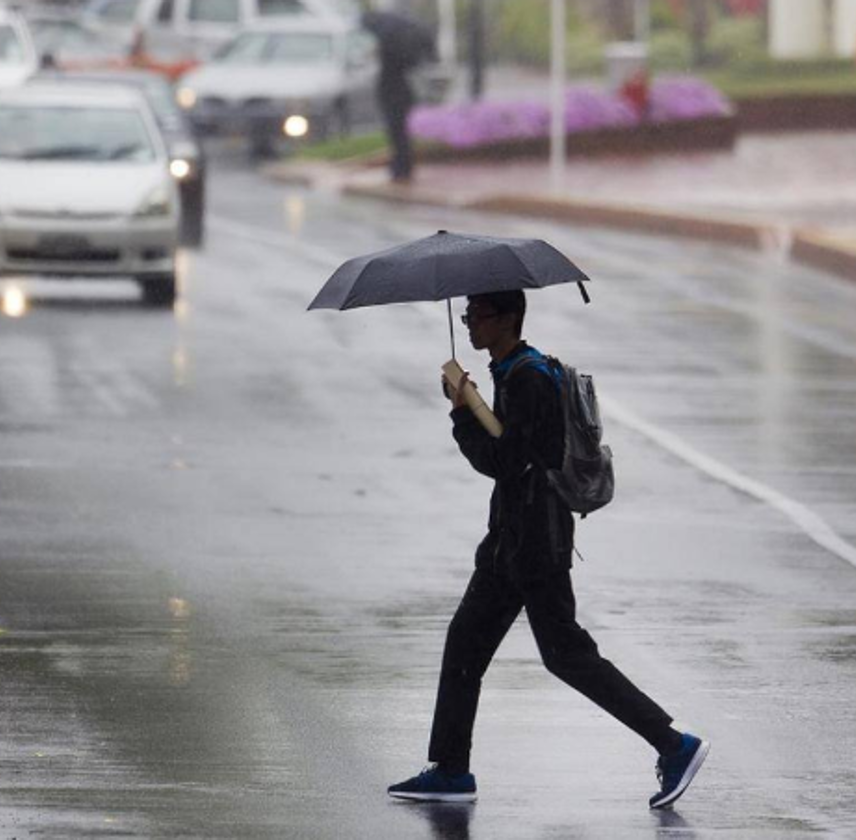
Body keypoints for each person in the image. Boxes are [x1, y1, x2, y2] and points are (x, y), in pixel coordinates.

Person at [387, 290, 709, 809]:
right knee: (467, 642)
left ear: (509, 319)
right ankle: (449, 768)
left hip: (533, 544)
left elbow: (506, 461)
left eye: (479, 316)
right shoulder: (515, 371)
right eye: (467, 316)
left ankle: (674, 744)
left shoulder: (529, 377)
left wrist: (462, 414)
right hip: (515, 541)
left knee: (567, 656)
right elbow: (517, 452)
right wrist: (472, 402)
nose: (469, 325)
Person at [361, 10, 432, 184]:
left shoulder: (391, 48)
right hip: (402, 92)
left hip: (394, 93)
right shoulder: (402, 52)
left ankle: (401, 169)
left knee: (397, 132)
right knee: (400, 133)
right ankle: (402, 167)